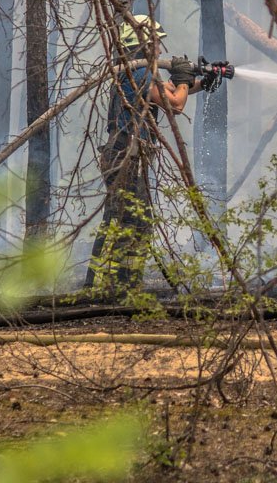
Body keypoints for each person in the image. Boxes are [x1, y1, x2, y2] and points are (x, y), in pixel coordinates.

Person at [84, 15, 203, 288]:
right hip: (126, 154)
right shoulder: (138, 74)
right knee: (128, 219)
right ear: (143, 44)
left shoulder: (138, 73)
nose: (159, 48)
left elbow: (172, 92)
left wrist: (201, 82)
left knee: (135, 218)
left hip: (127, 154)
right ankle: (111, 286)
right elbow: (176, 104)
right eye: (156, 42)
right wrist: (184, 81)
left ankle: (122, 283)